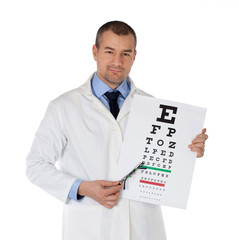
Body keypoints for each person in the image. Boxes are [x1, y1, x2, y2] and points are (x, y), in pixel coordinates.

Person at [26, 21, 208, 240]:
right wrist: (82, 188)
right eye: (109, 51)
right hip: (89, 229)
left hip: (143, 228)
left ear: (134, 56)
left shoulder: (154, 107)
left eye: (125, 54)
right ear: (95, 52)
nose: (117, 62)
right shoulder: (63, 107)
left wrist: (189, 150)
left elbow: (163, 164)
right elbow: (35, 166)